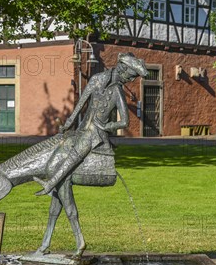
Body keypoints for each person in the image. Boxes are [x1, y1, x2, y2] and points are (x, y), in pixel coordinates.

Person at [34, 52, 148, 196]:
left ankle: (50, 184)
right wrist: (69, 122)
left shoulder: (118, 90)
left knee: (75, 154)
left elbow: (125, 121)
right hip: (83, 128)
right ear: (121, 69)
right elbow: (81, 103)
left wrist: (107, 127)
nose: (130, 81)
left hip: (95, 133)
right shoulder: (97, 79)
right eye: (130, 77)